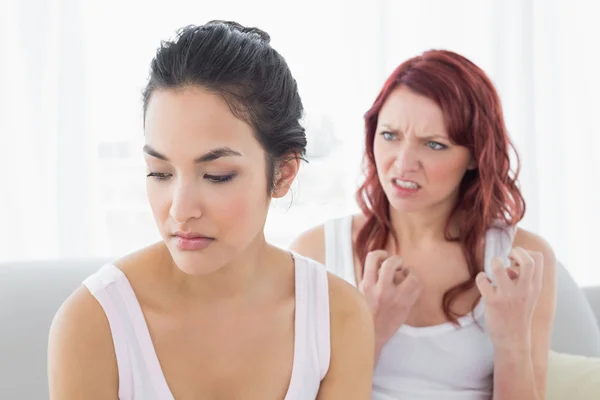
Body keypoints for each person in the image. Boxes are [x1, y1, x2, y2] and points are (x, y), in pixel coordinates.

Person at [48, 21, 374, 399]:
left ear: (283, 173)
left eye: (217, 175)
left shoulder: (338, 317)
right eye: (160, 172)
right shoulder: (93, 323)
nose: (181, 210)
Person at [291, 49, 557, 400]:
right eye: (389, 135)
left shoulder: (523, 258)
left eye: (434, 144)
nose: (403, 164)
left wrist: (511, 342)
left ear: (476, 155)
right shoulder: (315, 253)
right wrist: (368, 331)